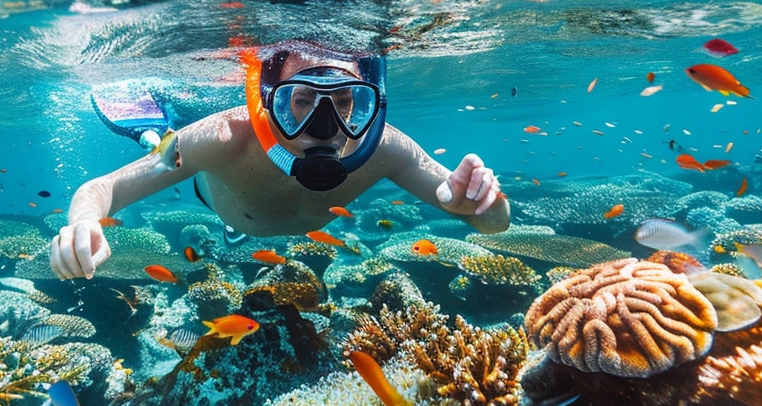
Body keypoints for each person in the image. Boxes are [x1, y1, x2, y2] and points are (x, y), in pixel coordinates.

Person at [50, 39, 510, 280]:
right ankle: (157, 126)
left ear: (368, 103)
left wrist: (484, 201)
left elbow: (492, 226)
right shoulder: (225, 137)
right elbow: (100, 190)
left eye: (347, 102)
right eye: (302, 101)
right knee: (170, 143)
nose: (325, 128)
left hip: (249, 209)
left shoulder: (386, 147)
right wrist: (83, 223)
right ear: (269, 101)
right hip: (215, 195)